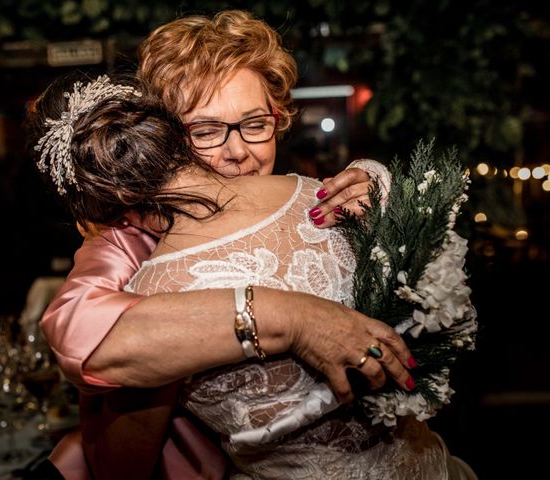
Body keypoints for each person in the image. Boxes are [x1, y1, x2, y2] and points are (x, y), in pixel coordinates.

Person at [28, 71, 476, 479]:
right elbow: (80, 333)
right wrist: (285, 316)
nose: (238, 151)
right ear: (166, 132)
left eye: (256, 124)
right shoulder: (127, 256)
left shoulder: (321, 196)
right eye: (205, 130)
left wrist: (386, 201)